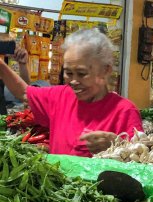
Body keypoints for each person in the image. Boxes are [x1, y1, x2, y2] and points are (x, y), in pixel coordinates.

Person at [0, 28, 143, 157]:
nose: (74, 81)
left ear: (105, 70)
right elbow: (24, 93)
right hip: (60, 184)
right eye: (68, 73)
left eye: (81, 73)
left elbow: (140, 160)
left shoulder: (124, 111)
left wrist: (116, 145)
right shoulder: (60, 96)